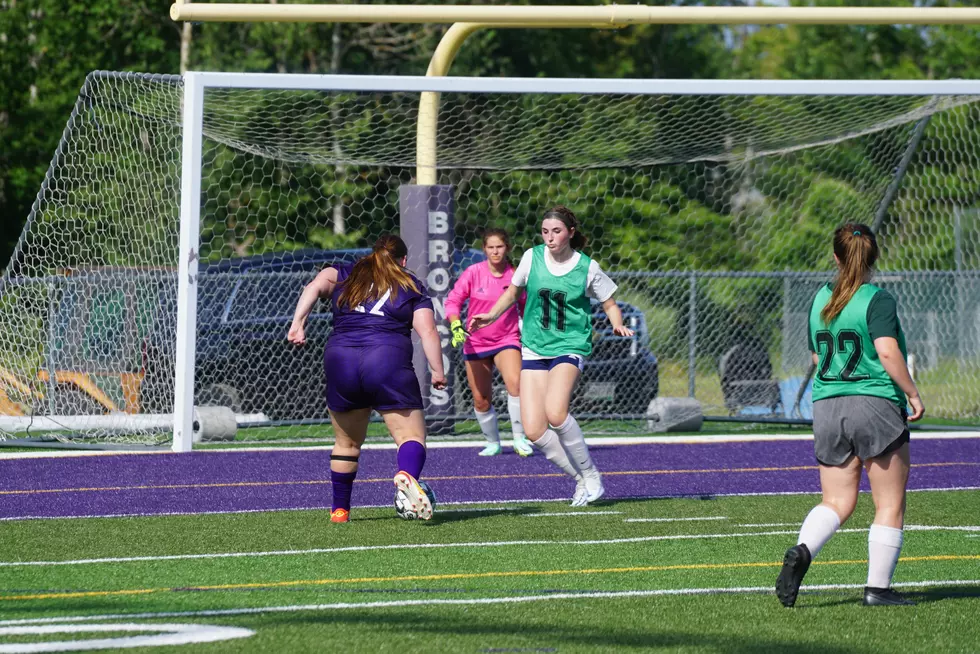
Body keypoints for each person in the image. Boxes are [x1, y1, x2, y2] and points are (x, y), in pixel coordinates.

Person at [776, 223, 925, 608]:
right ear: (874, 257)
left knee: (837, 501)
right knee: (889, 503)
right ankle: (877, 589)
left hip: (826, 406)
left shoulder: (820, 298)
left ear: (836, 257)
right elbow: (888, 352)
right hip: (873, 403)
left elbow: (815, 356)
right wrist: (911, 392)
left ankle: (803, 550)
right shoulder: (877, 299)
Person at [470, 206, 634, 506]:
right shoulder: (532, 258)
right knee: (533, 430)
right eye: (545, 231)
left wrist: (617, 323)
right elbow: (511, 293)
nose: (549, 237)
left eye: (556, 231)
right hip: (534, 346)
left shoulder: (587, 267)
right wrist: (490, 316)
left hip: (570, 345)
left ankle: (592, 475)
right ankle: (581, 480)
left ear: (570, 232)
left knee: (556, 413)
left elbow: (610, 303)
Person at [288, 234, 447, 523]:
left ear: (372, 254)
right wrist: (437, 371)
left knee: (346, 444)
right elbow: (428, 333)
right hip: (386, 359)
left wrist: (298, 323)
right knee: (411, 437)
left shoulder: (343, 272)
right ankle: (406, 475)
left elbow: (313, 287)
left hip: (341, 359)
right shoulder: (410, 284)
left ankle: (340, 511)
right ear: (403, 260)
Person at [445, 228, 533, 457]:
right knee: (481, 399)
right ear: (484, 249)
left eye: (500, 247)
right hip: (476, 342)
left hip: (507, 338)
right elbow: (453, 301)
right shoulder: (473, 272)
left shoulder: (516, 275)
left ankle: (519, 438)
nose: (495, 251)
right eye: (491, 247)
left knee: (516, 384)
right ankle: (493, 442)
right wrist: (455, 324)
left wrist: (531, 332)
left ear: (508, 248)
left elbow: (526, 307)